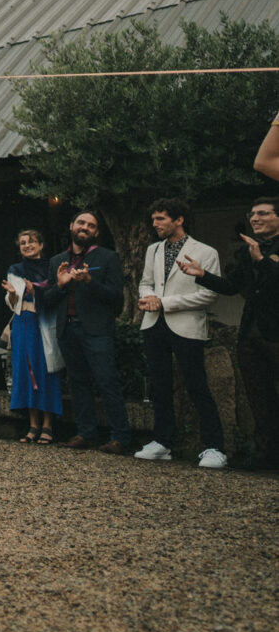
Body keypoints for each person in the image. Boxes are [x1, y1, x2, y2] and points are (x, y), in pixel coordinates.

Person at [178, 196, 279, 469]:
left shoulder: (258, 253)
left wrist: (262, 261)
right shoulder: (249, 251)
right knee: (259, 397)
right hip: (251, 335)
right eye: (252, 214)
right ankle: (266, 454)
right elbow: (232, 287)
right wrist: (202, 275)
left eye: (263, 213)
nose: (254, 218)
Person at [133, 199, 226, 467]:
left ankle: (215, 447)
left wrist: (165, 303)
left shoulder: (205, 251)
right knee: (159, 386)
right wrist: (149, 297)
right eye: (153, 219)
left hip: (186, 326)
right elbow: (145, 282)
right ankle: (162, 442)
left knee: (196, 385)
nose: (155, 224)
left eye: (160, 218)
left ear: (179, 220)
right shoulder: (153, 249)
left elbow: (209, 294)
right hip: (154, 324)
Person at [39, 210, 130, 454]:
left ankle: (120, 437)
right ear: (71, 226)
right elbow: (47, 300)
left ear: (96, 232)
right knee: (78, 383)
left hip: (97, 330)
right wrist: (60, 285)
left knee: (107, 381)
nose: (85, 227)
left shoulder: (108, 257)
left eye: (91, 225)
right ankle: (86, 433)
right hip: (67, 329)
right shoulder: (57, 261)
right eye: (81, 222)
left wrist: (90, 281)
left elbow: (116, 298)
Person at [3, 229, 62, 444]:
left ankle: (48, 425)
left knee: (46, 370)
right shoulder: (15, 269)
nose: (27, 245)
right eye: (23, 243)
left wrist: (35, 289)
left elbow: (56, 294)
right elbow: (13, 302)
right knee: (26, 371)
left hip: (44, 321)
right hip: (23, 321)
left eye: (31, 241)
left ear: (41, 245)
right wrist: (11, 294)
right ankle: (33, 424)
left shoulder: (51, 267)